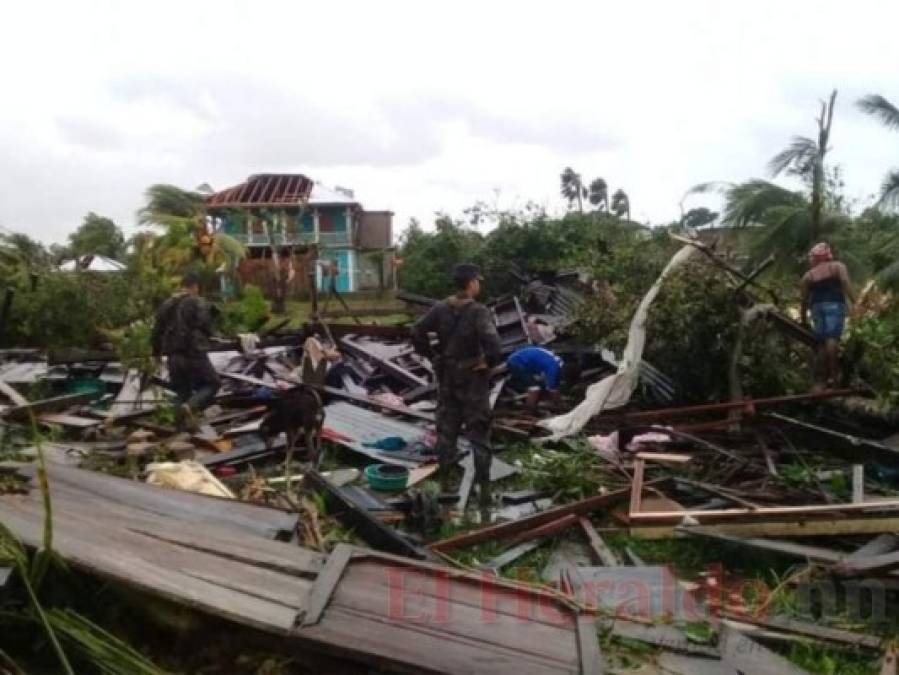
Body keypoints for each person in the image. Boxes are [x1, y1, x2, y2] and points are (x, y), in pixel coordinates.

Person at [411, 263, 502, 504]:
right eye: (478, 282)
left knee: (446, 433)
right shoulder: (479, 311)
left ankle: (445, 488)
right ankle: (484, 493)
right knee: (480, 435)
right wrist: (488, 362)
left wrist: (432, 356)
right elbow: (493, 344)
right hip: (473, 379)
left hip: (447, 378)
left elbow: (417, 331)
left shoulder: (440, 308)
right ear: (472, 283)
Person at [152, 271, 221, 429]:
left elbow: (156, 331)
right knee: (213, 384)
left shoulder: (166, 305)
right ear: (195, 286)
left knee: (182, 392)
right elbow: (205, 324)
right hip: (194, 352)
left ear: (181, 285)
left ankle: (177, 430)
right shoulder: (197, 302)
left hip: (173, 355)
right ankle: (191, 406)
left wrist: (156, 353)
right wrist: (211, 336)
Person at [800, 242, 855, 388]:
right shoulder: (837, 266)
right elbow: (845, 282)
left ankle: (822, 380)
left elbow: (804, 299)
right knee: (832, 339)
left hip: (816, 307)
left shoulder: (808, 275)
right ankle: (834, 375)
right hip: (835, 304)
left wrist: (803, 318)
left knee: (822, 342)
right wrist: (855, 302)